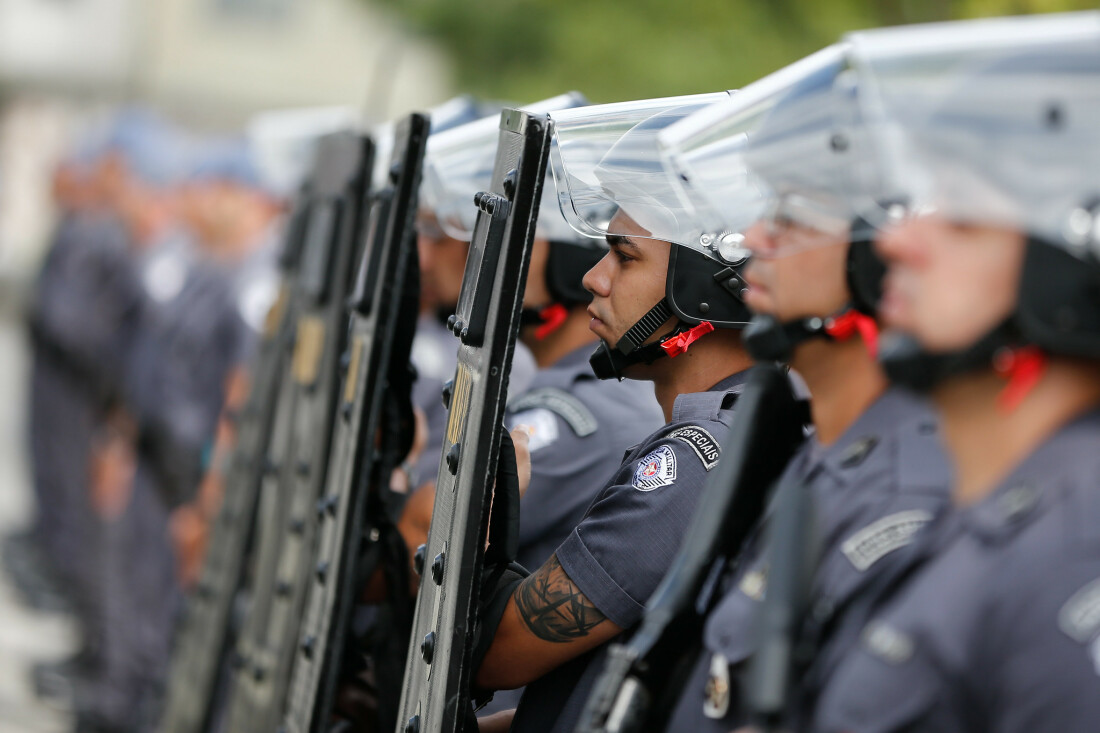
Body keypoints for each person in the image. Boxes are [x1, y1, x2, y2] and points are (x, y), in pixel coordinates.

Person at [798, 13, 1100, 732]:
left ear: (1072, 267)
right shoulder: (989, 501)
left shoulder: (1073, 551)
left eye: (960, 215)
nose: (899, 239)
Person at [646, 45, 951, 731]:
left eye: (793, 215)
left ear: (876, 259)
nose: (754, 237)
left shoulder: (904, 491)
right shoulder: (815, 440)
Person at [471, 94, 759, 733]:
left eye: (625, 257)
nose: (595, 280)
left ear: (701, 289)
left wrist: (484, 530)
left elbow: (497, 653)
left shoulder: (694, 464)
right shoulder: (734, 431)